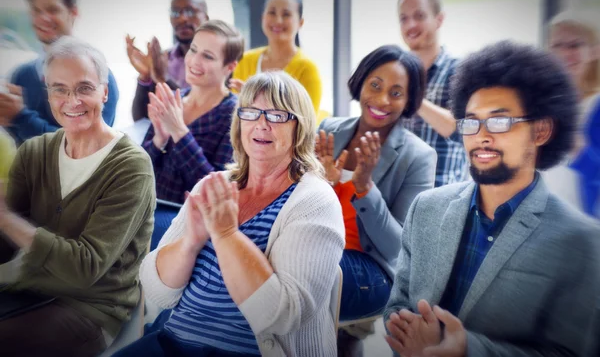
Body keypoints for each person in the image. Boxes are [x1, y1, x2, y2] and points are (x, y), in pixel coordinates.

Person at [383, 41, 600, 357]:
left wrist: (467, 350)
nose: (481, 135)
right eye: (471, 121)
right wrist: (410, 332)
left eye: (499, 121)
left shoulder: (580, 241)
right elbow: (397, 304)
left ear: (540, 131)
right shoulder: (426, 208)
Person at [115, 71, 345, 357]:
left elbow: (283, 316)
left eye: (276, 115)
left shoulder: (314, 200)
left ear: (300, 127)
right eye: (251, 113)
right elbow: (156, 290)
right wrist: (190, 242)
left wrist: (226, 235)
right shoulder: (214, 184)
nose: (261, 124)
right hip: (172, 342)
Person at [0, 36, 155, 357]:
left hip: (93, 310)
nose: (72, 100)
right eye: (59, 89)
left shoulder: (131, 166)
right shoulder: (35, 152)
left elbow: (85, 268)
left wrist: (5, 218)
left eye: (84, 87)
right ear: (48, 93)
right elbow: (5, 244)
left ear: (105, 91)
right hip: (30, 292)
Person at [316, 45, 435, 349]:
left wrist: (366, 187)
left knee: (307, 267)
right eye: (375, 86)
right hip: (319, 245)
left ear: (409, 101)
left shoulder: (418, 157)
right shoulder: (329, 129)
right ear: (361, 82)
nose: (382, 101)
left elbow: (399, 247)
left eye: (396, 93)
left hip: (371, 267)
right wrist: (321, 182)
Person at [0, 0, 119, 145]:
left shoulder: (98, 76)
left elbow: (89, 144)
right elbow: (24, 143)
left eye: (52, 10)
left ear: (73, 13)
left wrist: (20, 117)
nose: (43, 18)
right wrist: (9, 116)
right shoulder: (22, 75)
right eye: (37, 11)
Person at [141, 20, 243, 205]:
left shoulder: (236, 115)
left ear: (230, 67)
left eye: (208, 56)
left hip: (190, 223)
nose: (194, 61)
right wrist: (159, 140)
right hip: (149, 210)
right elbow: (137, 169)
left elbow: (216, 190)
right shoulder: (172, 98)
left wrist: (179, 132)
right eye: (193, 50)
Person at [397, 0, 467, 187]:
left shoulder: (459, 70)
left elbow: (461, 129)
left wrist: (413, 97)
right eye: (404, 18)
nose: (410, 25)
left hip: (444, 195)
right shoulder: (395, 71)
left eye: (419, 16)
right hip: (400, 195)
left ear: (439, 19)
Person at [230, 0, 323, 113]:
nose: (278, 20)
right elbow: (235, 114)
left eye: (286, 14)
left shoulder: (307, 69)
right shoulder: (245, 60)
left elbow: (307, 121)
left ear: (300, 22)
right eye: (272, 13)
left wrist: (253, 98)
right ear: (263, 17)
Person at [546, 12, 600, 217]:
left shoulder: (596, 106)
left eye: (575, 45)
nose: (565, 53)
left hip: (586, 224)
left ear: (595, 51)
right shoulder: (538, 102)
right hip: (542, 224)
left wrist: (577, 146)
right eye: (557, 46)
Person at [127, 0, 209, 121]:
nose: (182, 18)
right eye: (175, 12)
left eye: (190, 11)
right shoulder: (164, 59)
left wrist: (164, 79)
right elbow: (141, 119)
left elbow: (203, 115)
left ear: (206, 17)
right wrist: (145, 77)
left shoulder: (219, 61)